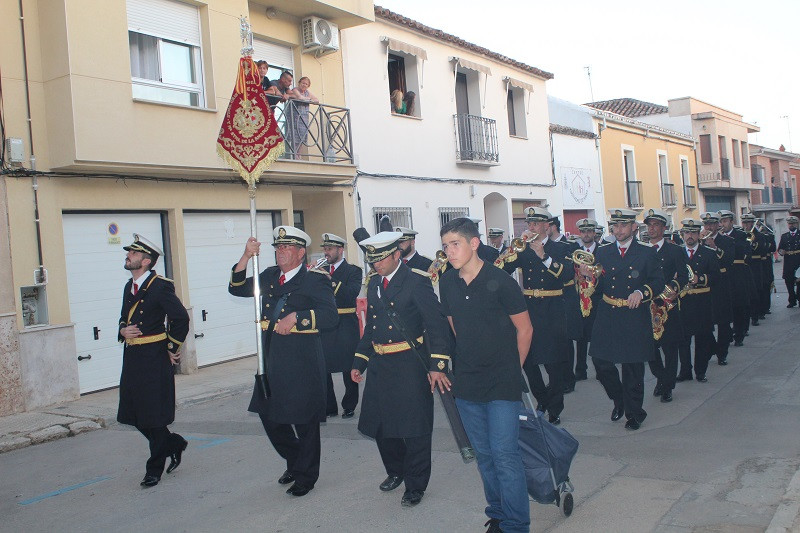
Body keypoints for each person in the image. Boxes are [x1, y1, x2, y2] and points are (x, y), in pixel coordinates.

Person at [438, 218, 533, 533]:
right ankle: (498, 514)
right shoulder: (447, 282)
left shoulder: (501, 281)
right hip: (467, 384)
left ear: (474, 243)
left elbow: (525, 328)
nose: (449, 252)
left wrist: (512, 368)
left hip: (502, 384)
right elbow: (455, 327)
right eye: (445, 246)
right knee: (485, 456)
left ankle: (517, 524)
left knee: (505, 455)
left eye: (455, 244)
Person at [228, 226, 337, 497]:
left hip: (301, 359)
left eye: (286, 248)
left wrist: (298, 318)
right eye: (277, 248)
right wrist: (245, 256)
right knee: (269, 415)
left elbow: (330, 316)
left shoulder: (315, 279)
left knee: (304, 420)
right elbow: (238, 288)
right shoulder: (269, 276)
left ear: (301, 253)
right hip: (271, 355)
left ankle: (306, 476)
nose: (280, 252)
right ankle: (297, 459)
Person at [351, 231, 451, 508]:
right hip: (381, 364)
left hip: (410, 362)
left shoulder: (417, 282)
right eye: (372, 261)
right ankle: (396, 470)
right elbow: (371, 327)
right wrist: (360, 360)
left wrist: (437, 366)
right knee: (382, 424)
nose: (375, 266)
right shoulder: (374, 284)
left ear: (397, 255)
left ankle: (416, 484)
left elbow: (436, 325)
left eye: (381, 260)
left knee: (415, 427)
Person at [579, 209, 665, 431]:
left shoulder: (646, 253)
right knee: (600, 362)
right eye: (615, 226)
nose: (618, 230)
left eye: (623, 226)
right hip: (608, 312)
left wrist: (642, 293)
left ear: (634, 227)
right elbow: (598, 285)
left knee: (632, 367)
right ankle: (619, 399)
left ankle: (634, 413)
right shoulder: (604, 252)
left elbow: (658, 282)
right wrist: (589, 279)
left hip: (633, 314)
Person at [117, 234, 190, 488]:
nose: (128, 256)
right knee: (134, 414)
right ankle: (174, 443)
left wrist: (171, 347)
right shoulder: (129, 286)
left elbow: (181, 319)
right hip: (133, 357)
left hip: (154, 358)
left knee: (153, 417)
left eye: (134, 254)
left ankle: (154, 469)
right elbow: (124, 319)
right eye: (130, 253)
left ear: (146, 261)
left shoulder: (160, 286)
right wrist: (122, 330)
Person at [497, 206, 573, 425]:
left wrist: (544, 256)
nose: (531, 228)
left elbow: (567, 275)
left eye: (535, 224)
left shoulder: (560, 248)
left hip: (553, 309)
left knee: (554, 365)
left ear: (547, 227)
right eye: (529, 224)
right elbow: (501, 268)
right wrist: (512, 249)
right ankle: (542, 399)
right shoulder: (522, 249)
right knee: (528, 362)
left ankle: (555, 408)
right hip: (529, 308)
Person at [644, 209, 689, 402]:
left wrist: (673, 287)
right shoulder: (641, 249)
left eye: (656, 225)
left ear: (664, 228)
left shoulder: (675, 250)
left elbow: (685, 275)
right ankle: (661, 378)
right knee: (650, 349)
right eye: (649, 225)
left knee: (670, 348)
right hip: (647, 305)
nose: (652, 229)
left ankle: (668, 385)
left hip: (667, 305)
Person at [318, 233, 362, 419]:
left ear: (340, 250)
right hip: (325, 324)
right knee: (323, 367)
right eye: (325, 249)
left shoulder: (353, 270)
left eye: (330, 249)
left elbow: (350, 294)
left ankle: (349, 405)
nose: (326, 252)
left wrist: (330, 279)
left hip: (345, 324)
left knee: (348, 366)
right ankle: (329, 407)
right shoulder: (320, 270)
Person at [676, 219, 719, 384]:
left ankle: (700, 371)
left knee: (702, 339)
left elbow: (716, 277)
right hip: (683, 302)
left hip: (702, 301)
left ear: (698, 234)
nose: (690, 236)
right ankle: (685, 371)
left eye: (693, 233)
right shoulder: (677, 253)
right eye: (687, 233)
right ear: (682, 235)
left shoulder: (708, 253)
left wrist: (699, 278)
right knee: (683, 340)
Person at [572, 218, 603, 382]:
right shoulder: (574, 252)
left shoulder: (603, 251)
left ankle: (601, 368)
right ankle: (580, 369)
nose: (586, 234)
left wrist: (592, 276)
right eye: (583, 231)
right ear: (580, 233)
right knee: (581, 336)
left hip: (597, 298)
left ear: (594, 233)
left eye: (589, 231)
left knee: (598, 335)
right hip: (580, 297)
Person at [718, 210, 756, 341]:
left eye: (725, 221)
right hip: (723, 274)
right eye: (721, 221)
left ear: (731, 222)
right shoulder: (718, 237)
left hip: (738, 272)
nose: (723, 224)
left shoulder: (740, 235)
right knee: (726, 307)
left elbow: (747, 253)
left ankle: (740, 333)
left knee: (740, 305)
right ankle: (728, 333)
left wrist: (729, 242)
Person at [287, 76, 319, 159]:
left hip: (304, 117)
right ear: (299, 83)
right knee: (294, 136)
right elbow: (300, 98)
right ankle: (294, 155)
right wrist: (309, 99)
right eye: (303, 83)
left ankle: (298, 155)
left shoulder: (307, 93)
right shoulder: (295, 90)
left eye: (306, 84)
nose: (304, 85)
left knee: (301, 136)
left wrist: (307, 99)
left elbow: (316, 100)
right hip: (295, 116)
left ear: (308, 86)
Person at [777, 215, 800, 307]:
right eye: (790, 224)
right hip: (788, 261)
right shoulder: (784, 236)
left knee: (799, 281)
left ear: (797, 224)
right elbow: (780, 248)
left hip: (798, 260)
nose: (791, 225)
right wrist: (781, 251)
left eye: (793, 223)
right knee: (788, 281)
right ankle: (792, 300)